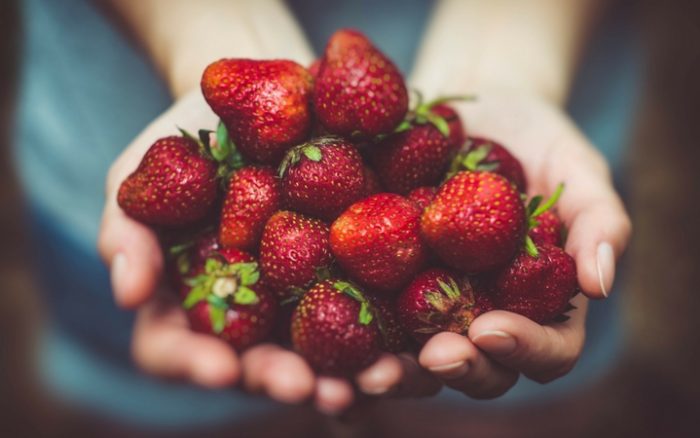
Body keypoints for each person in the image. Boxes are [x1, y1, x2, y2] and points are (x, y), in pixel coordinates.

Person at [14, 0, 634, 429]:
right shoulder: (294, 202)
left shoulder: (415, 205)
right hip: (105, 103)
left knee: (501, 422)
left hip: (550, 48)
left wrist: (507, 62)